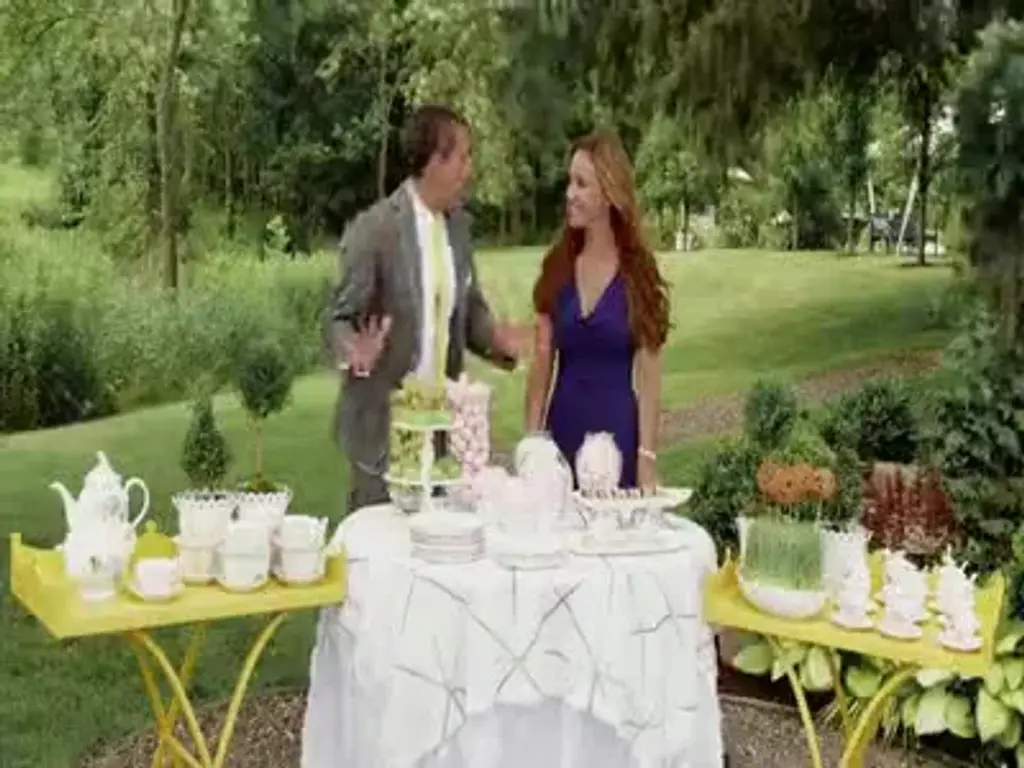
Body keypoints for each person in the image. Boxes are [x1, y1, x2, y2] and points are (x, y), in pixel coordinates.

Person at [324, 104, 520, 512]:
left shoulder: (459, 227)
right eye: (462, 158)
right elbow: (339, 318)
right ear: (434, 161)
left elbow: (468, 309)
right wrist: (354, 350)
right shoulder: (376, 229)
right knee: (380, 543)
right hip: (383, 436)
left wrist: (499, 342)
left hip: (444, 436)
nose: (469, 170)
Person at [524, 130, 670, 490]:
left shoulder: (638, 274)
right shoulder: (557, 267)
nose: (569, 194)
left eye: (581, 184)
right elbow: (541, 366)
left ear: (608, 193)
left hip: (618, 445)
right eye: (569, 182)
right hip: (560, 443)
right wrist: (531, 448)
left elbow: (649, 377)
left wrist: (646, 459)